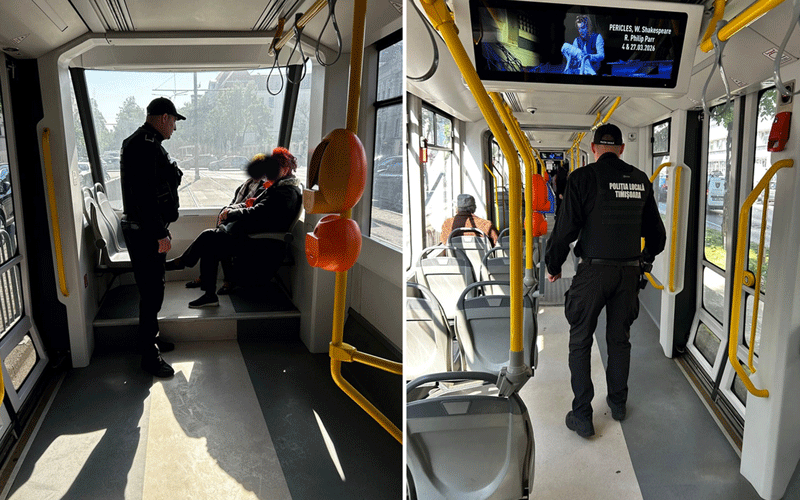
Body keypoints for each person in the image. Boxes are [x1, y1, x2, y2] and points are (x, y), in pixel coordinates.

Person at [544, 123, 666, 438]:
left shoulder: (582, 179)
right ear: (622, 149)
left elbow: (565, 228)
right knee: (619, 339)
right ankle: (619, 403)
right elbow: (658, 236)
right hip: (628, 273)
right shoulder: (640, 180)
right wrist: (645, 261)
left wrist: (553, 263)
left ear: (595, 148)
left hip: (593, 272)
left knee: (580, 340)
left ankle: (583, 415)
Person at [166, 148, 302, 308]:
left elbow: (259, 213)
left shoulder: (285, 193)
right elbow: (258, 209)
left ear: (285, 170)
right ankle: (204, 289)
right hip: (255, 236)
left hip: (262, 243)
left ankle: (187, 267)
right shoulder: (278, 188)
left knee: (210, 238)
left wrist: (232, 214)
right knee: (211, 239)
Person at [120, 97, 185, 378]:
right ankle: (149, 356)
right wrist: (160, 234)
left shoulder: (143, 143)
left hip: (145, 229)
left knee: (152, 291)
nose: (174, 127)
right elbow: (145, 196)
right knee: (152, 292)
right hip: (146, 232)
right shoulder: (144, 146)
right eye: (173, 121)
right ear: (163, 118)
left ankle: (149, 341)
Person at [183, 154, 272, 293]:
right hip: (234, 220)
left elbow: (249, 207)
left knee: (215, 239)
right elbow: (234, 202)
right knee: (213, 239)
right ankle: (205, 276)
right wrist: (226, 211)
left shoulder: (264, 188)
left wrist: (229, 212)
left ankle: (220, 279)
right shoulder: (247, 184)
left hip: (244, 226)